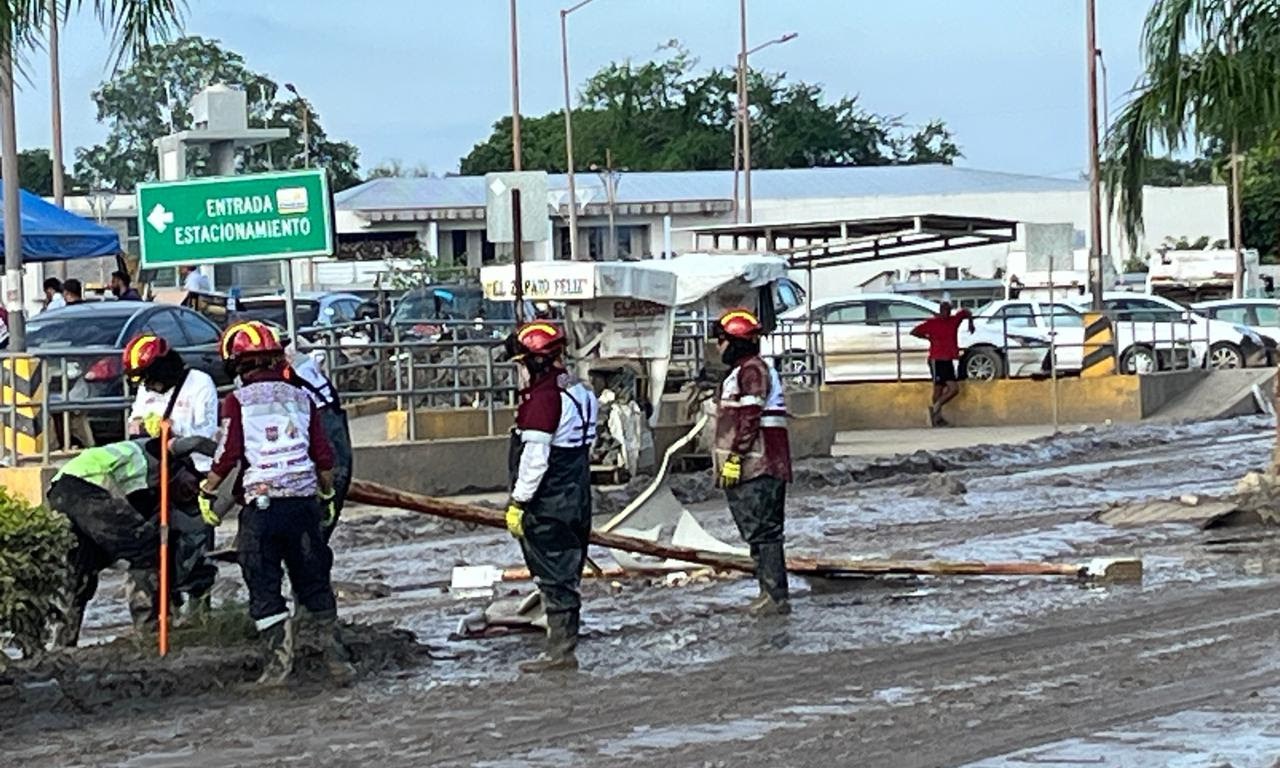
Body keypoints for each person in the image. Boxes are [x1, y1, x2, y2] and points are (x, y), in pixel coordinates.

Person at [199, 320, 352, 686]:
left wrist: (208, 493)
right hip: (303, 506)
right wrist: (326, 496)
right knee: (313, 580)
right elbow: (324, 457)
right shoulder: (302, 398)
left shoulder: (236, 402)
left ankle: (278, 668)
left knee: (264, 583)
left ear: (237, 364)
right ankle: (337, 662)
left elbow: (227, 455)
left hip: (263, 509)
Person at [46, 436, 210, 646]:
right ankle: (150, 632)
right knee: (143, 550)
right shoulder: (158, 452)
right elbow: (194, 443)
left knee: (82, 568)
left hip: (61, 490)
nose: (192, 491)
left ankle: (63, 644)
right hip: (90, 485)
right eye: (192, 483)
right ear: (181, 469)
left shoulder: (147, 492)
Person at [504, 321, 598, 672]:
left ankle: (561, 653)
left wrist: (519, 501)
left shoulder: (544, 399)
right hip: (577, 492)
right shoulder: (581, 390)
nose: (522, 370)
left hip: (549, 498)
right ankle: (564, 645)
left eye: (523, 363)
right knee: (567, 571)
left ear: (536, 361)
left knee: (553, 574)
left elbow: (535, 458)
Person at [222, 320, 352, 542]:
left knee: (309, 540)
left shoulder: (283, 377)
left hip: (315, 451)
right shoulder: (299, 365)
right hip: (330, 447)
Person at [122, 333, 220, 611]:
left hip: (192, 478)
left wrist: (174, 432)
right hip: (156, 477)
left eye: (150, 379)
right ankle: (166, 608)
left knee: (196, 549)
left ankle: (200, 611)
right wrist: (144, 427)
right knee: (156, 548)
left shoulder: (200, 383)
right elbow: (135, 423)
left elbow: (205, 433)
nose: (148, 387)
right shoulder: (146, 390)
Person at [712, 308, 793, 617]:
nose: (719, 347)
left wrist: (735, 458)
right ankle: (768, 593)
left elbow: (749, 419)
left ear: (734, 342)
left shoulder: (752, 371)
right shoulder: (748, 370)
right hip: (756, 464)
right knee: (757, 532)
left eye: (721, 340)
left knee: (765, 531)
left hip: (760, 464)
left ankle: (775, 596)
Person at [910, 301, 975, 427]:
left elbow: (967, 311)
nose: (946, 312)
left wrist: (971, 323)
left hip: (948, 359)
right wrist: (928, 337)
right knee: (940, 389)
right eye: (944, 310)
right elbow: (914, 331)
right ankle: (937, 415)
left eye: (948, 310)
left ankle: (935, 410)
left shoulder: (953, 320)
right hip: (936, 359)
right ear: (940, 310)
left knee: (951, 389)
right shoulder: (932, 323)